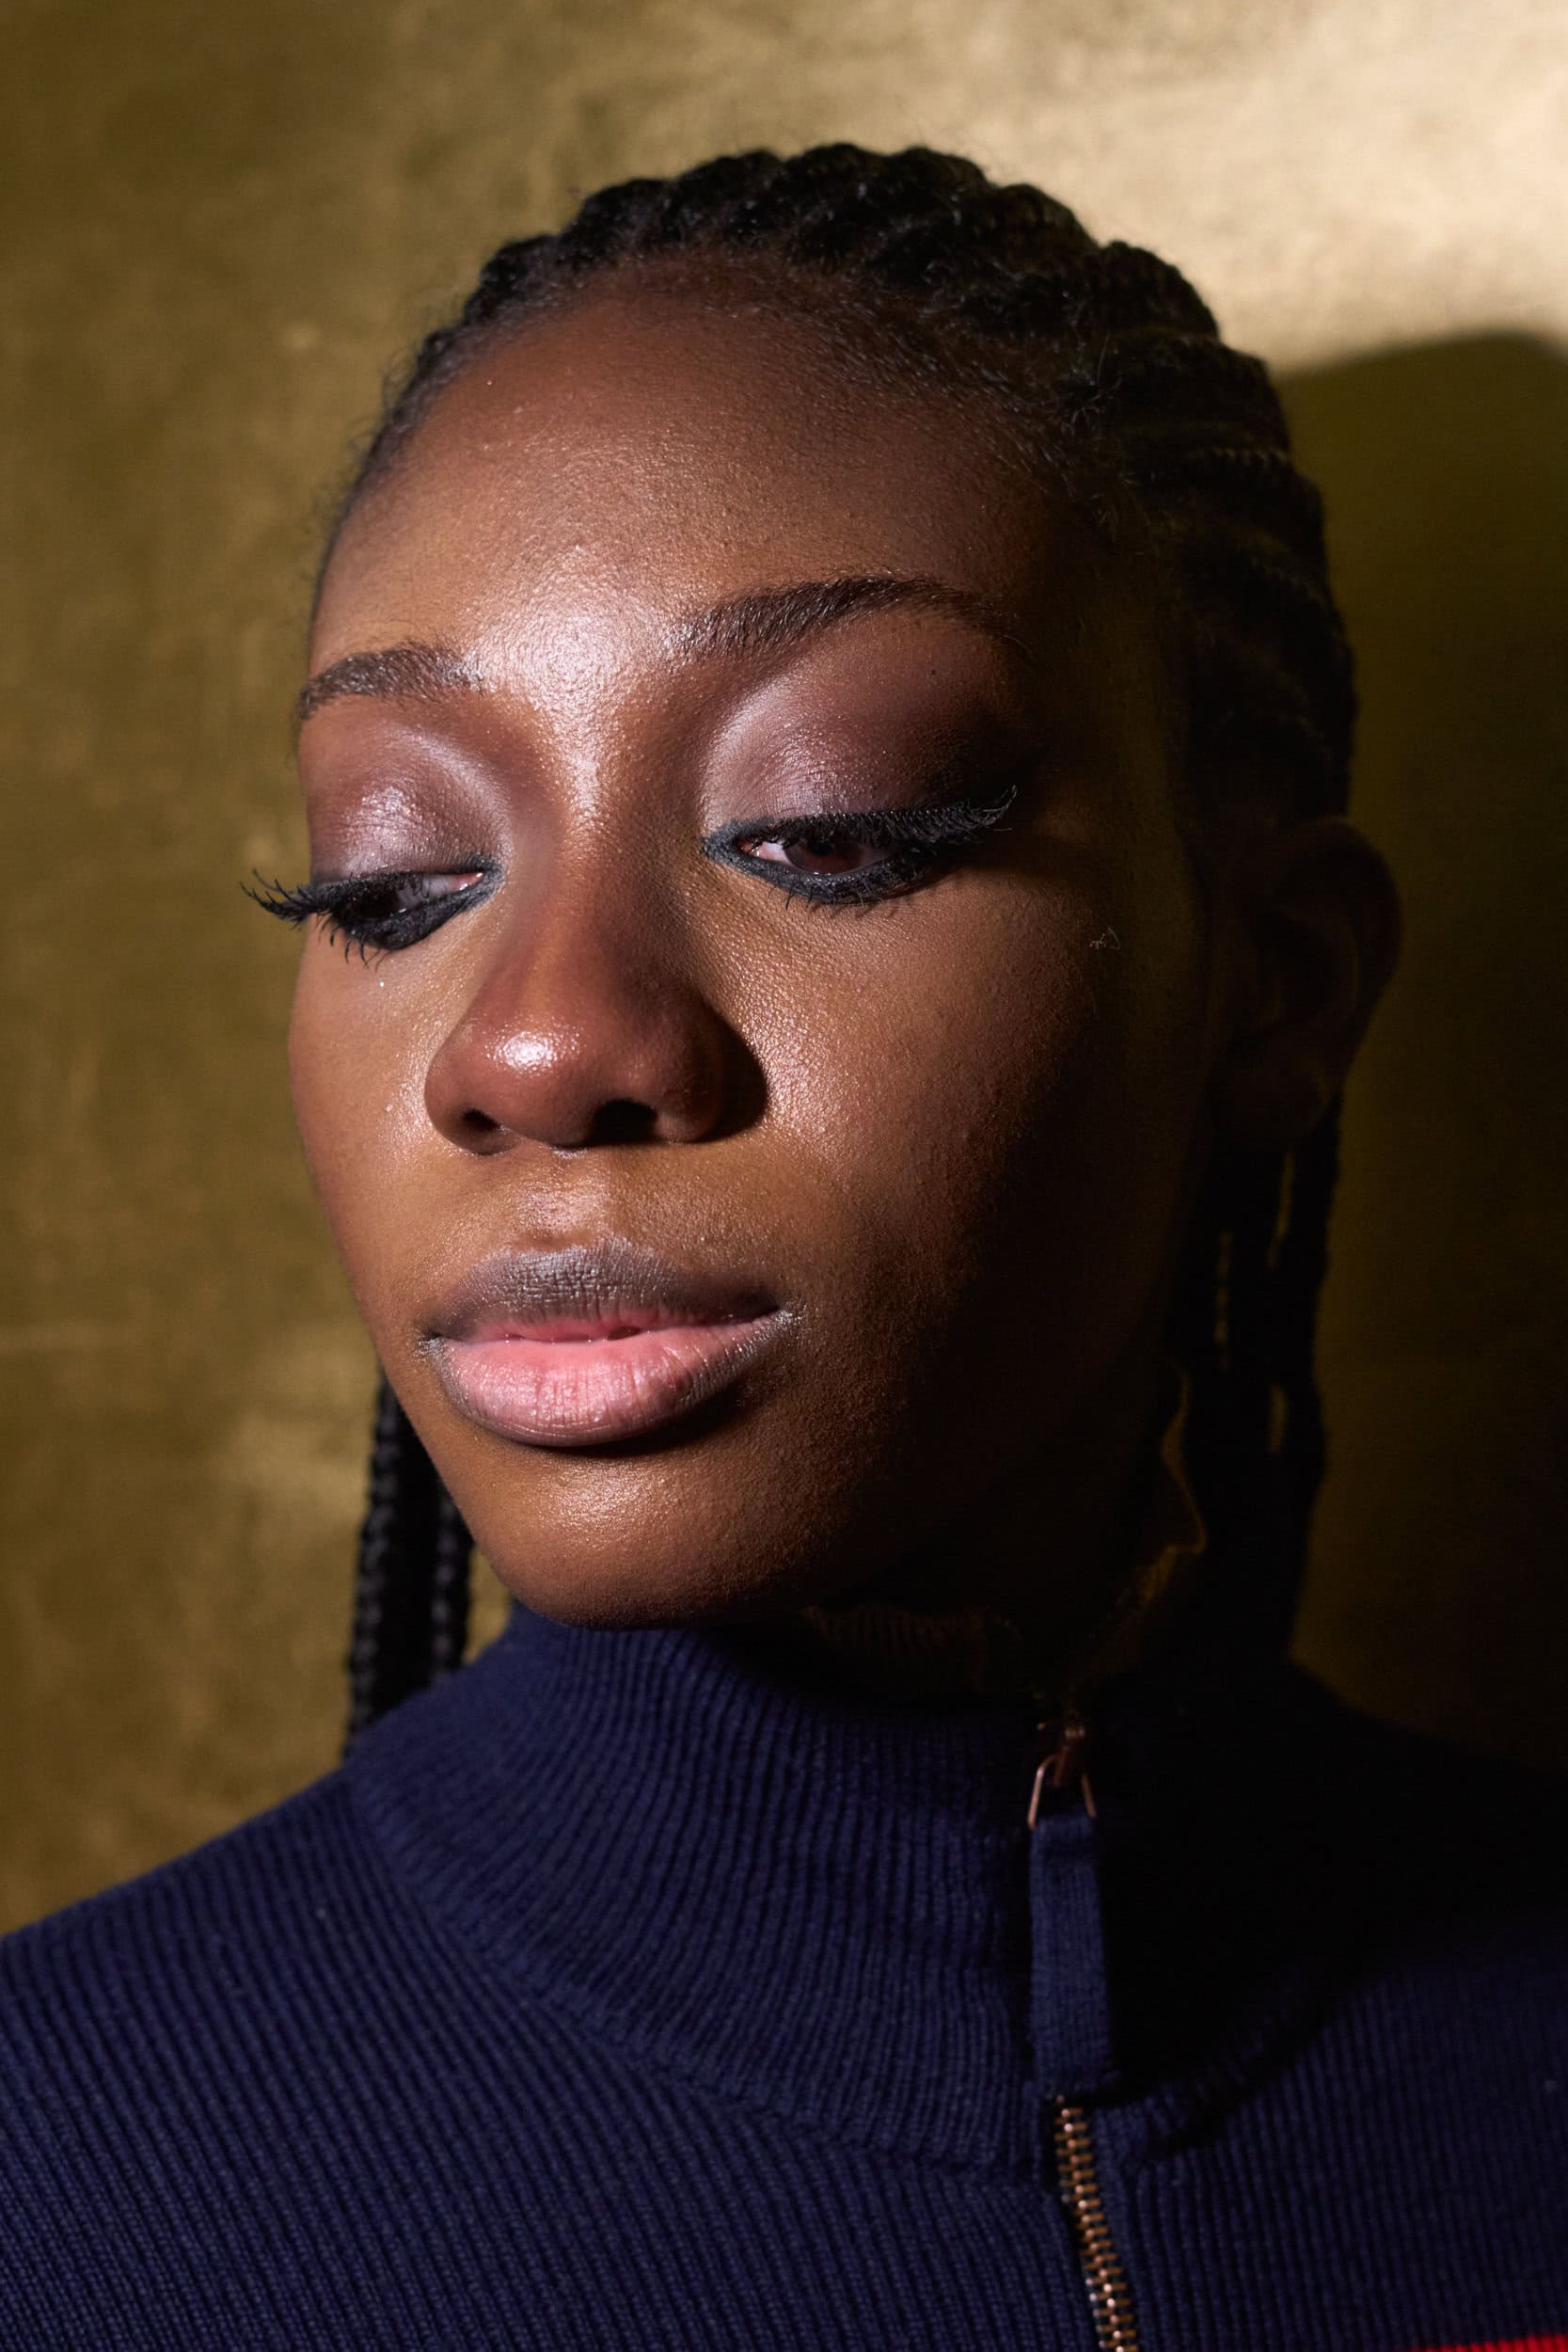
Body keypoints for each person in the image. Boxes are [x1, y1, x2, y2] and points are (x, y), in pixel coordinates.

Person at [2, 140, 1563, 2352]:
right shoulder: (52, 2183)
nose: (539, 1041)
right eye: (392, 878)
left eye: (826, 827)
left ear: (1276, 983)